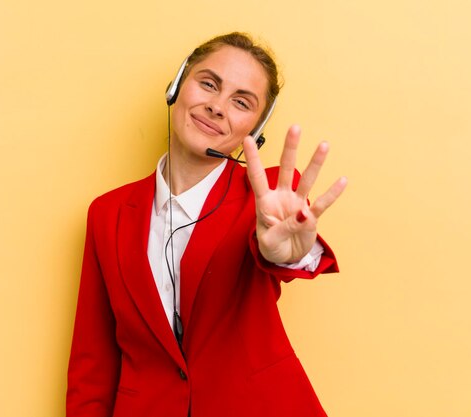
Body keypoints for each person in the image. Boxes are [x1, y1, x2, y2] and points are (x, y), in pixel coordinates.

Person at [66, 32, 347, 417]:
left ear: (255, 128)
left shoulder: (268, 202)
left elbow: (278, 251)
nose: (217, 107)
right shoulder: (107, 213)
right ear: (177, 86)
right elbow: (92, 358)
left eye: (241, 102)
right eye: (209, 83)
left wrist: (286, 255)